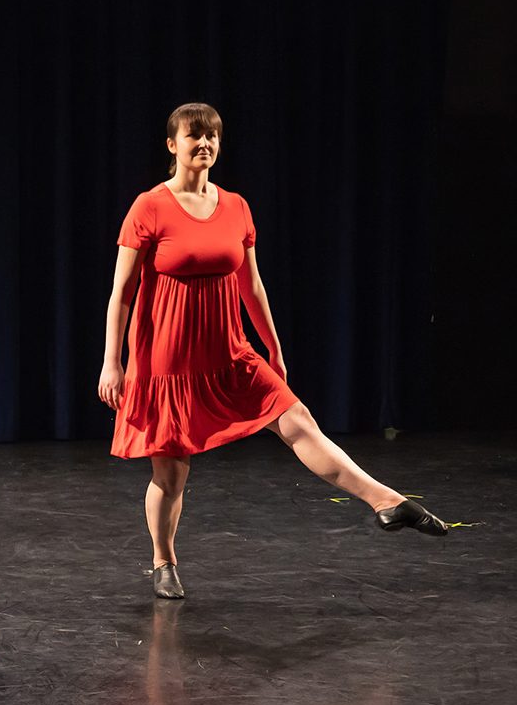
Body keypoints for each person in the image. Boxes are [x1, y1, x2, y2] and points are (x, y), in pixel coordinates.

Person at [98, 102, 446, 600]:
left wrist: (273, 351)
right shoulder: (149, 206)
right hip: (167, 362)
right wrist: (114, 363)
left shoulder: (236, 206)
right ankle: (163, 561)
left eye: (213, 136)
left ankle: (385, 501)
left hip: (229, 354)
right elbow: (123, 293)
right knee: (171, 474)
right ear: (172, 145)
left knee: (298, 421)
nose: (205, 143)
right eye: (194, 135)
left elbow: (252, 287)